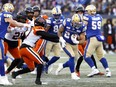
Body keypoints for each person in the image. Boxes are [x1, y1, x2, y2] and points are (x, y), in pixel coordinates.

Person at [11, 16, 59, 84]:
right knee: (41, 62)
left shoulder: (36, 30)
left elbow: (50, 38)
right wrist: (58, 36)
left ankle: (15, 73)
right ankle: (38, 80)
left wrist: (58, 39)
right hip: (26, 48)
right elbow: (49, 35)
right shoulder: (37, 29)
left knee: (31, 68)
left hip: (24, 49)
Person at [0, 3, 30, 85]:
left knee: (12, 58)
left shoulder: (2, 15)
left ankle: (3, 75)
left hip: (12, 43)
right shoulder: (7, 15)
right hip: (4, 40)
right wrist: (24, 25)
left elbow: (7, 28)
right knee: (1, 59)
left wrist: (8, 29)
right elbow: (14, 23)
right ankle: (3, 77)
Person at [74, 4, 104, 77]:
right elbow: (72, 29)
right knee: (82, 55)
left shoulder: (86, 18)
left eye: (82, 12)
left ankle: (95, 69)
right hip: (78, 40)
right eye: (79, 12)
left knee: (90, 55)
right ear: (77, 12)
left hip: (86, 39)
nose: (80, 13)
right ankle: (77, 70)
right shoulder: (74, 18)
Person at [83, 4, 111, 77]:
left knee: (86, 56)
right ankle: (108, 70)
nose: (86, 12)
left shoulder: (87, 17)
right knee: (101, 57)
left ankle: (94, 69)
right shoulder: (99, 17)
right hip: (99, 39)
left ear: (90, 11)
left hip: (92, 39)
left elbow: (83, 25)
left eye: (87, 11)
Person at [56, 14, 86, 80]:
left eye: (79, 24)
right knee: (72, 56)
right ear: (72, 21)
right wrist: (61, 39)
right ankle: (73, 74)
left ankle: (62, 65)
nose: (78, 25)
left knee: (74, 60)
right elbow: (59, 31)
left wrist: (77, 41)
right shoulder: (66, 22)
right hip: (65, 42)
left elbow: (83, 40)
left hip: (74, 44)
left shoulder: (82, 26)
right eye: (76, 23)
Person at [44, 7, 64, 73]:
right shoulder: (50, 20)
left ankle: (47, 64)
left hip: (57, 40)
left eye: (58, 15)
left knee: (57, 56)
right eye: (56, 15)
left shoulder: (63, 19)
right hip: (49, 40)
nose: (57, 16)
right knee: (45, 55)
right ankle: (40, 67)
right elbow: (46, 30)